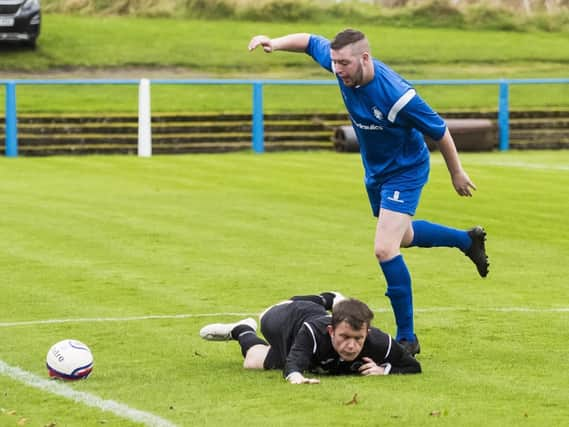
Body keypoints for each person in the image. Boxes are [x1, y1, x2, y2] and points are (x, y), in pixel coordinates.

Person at [247, 29, 489, 355]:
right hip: (376, 172)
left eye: (343, 63)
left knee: (385, 249)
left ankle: (407, 339)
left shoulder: (398, 94)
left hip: (405, 171)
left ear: (364, 58)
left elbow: (440, 130)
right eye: (334, 62)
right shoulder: (342, 68)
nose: (337, 69)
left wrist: (456, 173)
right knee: (402, 237)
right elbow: (308, 41)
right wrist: (273, 43)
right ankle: (466, 240)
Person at [200, 292, 421, 384]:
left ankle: (241, 329)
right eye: (344, 337)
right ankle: (328, 298)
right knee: (270, 316)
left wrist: (384, 371)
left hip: (311, 338)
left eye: (358, 338)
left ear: (367, 333)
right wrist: (298, 378)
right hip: (286, 319)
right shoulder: (313, 332)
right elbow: (293, 366)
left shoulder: (377, 341)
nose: (352, 345)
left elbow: (413, 366)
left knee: (252, 362)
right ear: (331, 331)